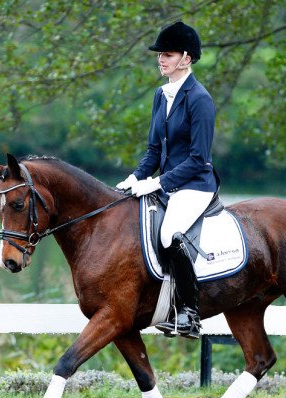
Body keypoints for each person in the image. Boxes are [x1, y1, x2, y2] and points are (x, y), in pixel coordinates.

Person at [116, 21, 219, 339]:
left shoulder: (200, 100)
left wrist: (157, 183)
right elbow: (153, 151)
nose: (161, 59)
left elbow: (198, 158)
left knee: (169, 235)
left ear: (186, 59)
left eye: (168, 54)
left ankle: (190, 313)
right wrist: (133, 178)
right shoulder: (161, 96)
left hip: (195, 184)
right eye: (160, 54)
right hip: (167, 181)